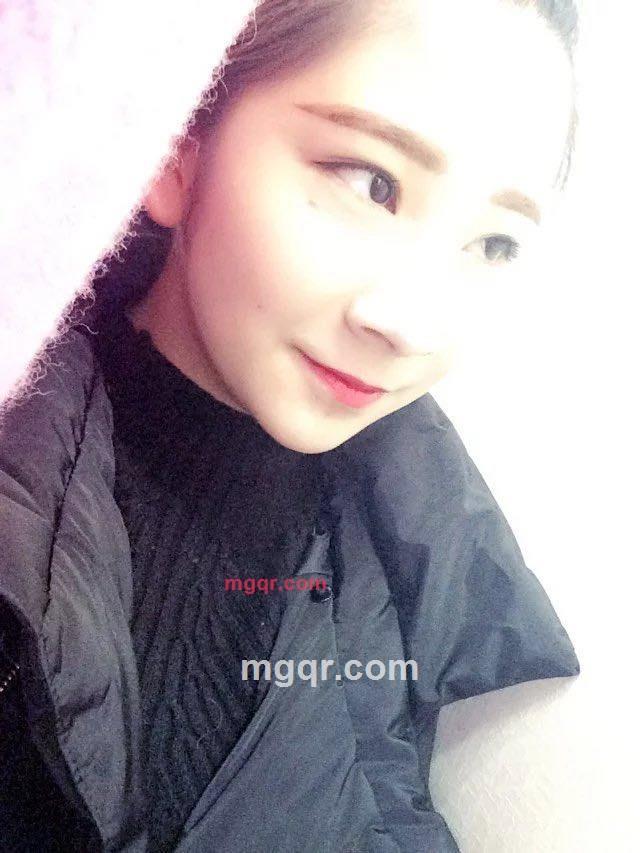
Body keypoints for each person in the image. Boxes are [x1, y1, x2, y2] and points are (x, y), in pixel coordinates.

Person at [0, 1, 581, 850]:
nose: (416, 326)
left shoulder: (414, 577)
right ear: (178, 144)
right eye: (371, 182)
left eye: (493, 243)